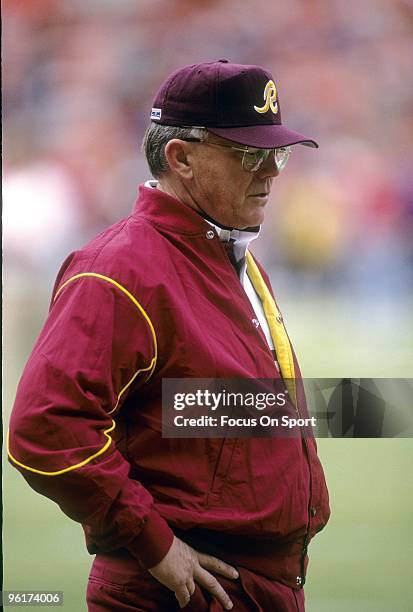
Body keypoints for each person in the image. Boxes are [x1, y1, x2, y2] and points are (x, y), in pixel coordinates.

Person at [8, 59, 330, 611]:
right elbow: (45, 426)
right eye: (251, 154)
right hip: (181, 590)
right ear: (181, 157)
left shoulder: (230, 252)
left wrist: (377, 407)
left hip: (256, 587)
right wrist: (153, 543)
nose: (273, 171)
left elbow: (199, 409)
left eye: (278, 153)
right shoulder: (118, 270)